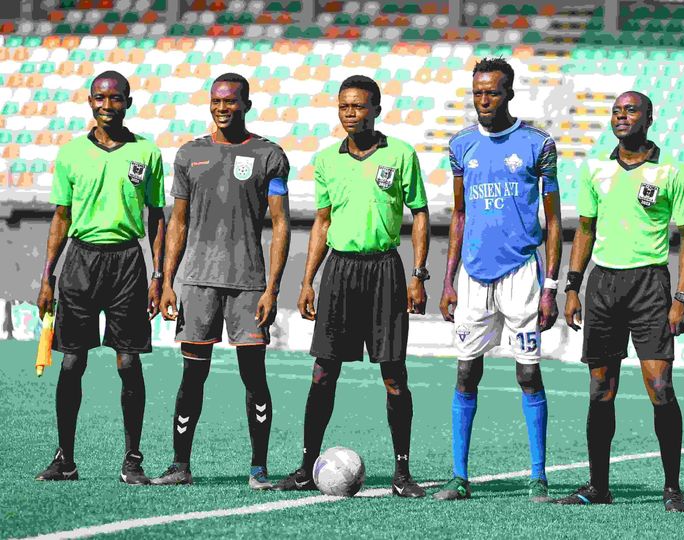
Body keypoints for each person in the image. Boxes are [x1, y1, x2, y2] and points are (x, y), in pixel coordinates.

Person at [273, 75, 430, 498]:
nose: (349, 114)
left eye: (358, 106)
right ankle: (306, 467)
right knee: (323, 373)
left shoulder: (401, 154)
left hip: (385, 271)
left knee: (394, 376)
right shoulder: (326, 160)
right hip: (340, 272)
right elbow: (321, 222)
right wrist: (307, 280)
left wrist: (418, 274)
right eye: (343, 106)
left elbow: (419, 214)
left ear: (376, 109)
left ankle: (402, 473)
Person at [555, 91, 684, 512]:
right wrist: (572, 286)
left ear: (649, 118)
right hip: (603, 285)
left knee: (659, 386)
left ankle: (672, 488)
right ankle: (599, 487)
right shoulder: (595, 169)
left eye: (630, 110)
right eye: (616, 111)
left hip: (651, 286)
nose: (621, 117)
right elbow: (584, 228)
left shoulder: (671, 171)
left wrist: (681, 297)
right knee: (601, 389)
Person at [151, 73, 291, 490]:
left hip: (248, 284)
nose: (222, 107)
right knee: (192, 376)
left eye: (231, 101)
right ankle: (180, 466)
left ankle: (259, 470)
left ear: (247, 104)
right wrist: (167, 280)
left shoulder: (269, 155)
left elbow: (281, 224)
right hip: (196, 282)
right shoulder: (189, 154)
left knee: (255, 377)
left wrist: (272, 287)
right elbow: (177, 221)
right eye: (216, 101)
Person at [433, 58, 562, 503]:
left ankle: (539, 476)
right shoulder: (460, 145)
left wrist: (551, 286)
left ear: (509, 93)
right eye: (477, 93)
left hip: (522, 274)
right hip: (472, 275)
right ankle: (459, 477)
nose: (483, 100)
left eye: (492, 92)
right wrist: (448, 280)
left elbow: (554, 221)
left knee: (528, 376)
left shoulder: (538, 144)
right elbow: (460, 215)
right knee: (466, 372)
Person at [35, 70, 166, 485]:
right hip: (80, 261)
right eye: (100, 98)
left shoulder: (147, 153)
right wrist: (47, 277)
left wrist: (158, 274)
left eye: (115, 99)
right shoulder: (72, 153)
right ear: (89, 101)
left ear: (129, 102)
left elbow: (157, 218)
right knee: (72, 362)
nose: (107, 106)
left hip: (128, 261)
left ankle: (132, 460)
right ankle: (65, 460)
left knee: (129, 363)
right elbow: (61, 216)